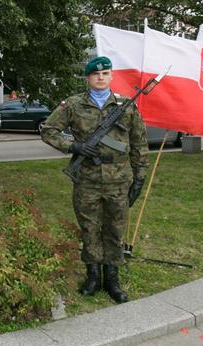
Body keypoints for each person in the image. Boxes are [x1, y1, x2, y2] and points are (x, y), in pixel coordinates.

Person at [40, 56, 148, 304]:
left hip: (118, 181)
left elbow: (139, 144)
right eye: (95, 74)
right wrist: (73, 147)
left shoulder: (126, 106)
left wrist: (139, 177)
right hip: (87, 179)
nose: (101, 77)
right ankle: (92, 276)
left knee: (115, 229)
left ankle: (112, 279)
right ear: (88, 78)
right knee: (89, 228)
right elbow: (48, 130)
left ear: (111, 76)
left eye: (106, 73)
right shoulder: (74, 105)